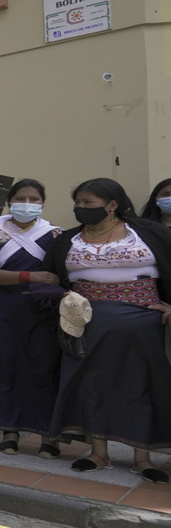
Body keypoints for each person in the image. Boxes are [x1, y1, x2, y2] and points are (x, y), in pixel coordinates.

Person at [43, 178, 171, 483]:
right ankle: (98, 453)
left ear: (113, 205)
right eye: (78, 203)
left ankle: (142, 457)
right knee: (91, 385)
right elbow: (50, 279)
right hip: (85, 324)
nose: (80, 208)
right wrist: (61, 297)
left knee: (140, 386)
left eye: (88, 203)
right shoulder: (66, 240)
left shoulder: (151, 233)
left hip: (143, 323)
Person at [0, 179, 62, 457]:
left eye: (34, 199)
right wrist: (30, 276)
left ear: (42, 204)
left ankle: (48, 434)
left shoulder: (55, 235)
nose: (27, 204)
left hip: (44, 308)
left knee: (45, 368)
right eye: (21, 198)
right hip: (3, 307)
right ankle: (9, 430)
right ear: (10, 202)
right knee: (3, 366)